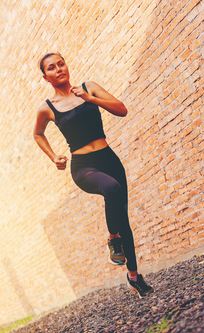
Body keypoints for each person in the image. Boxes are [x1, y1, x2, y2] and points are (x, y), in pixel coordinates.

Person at [33, 52, 153, 298]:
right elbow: (38, 134)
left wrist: (90, 99)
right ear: (46, 77)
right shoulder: (47, 108)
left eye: (61, 64)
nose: (59, 69)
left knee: (124, 220)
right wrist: (54, 156)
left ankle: (133, 276)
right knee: (111, 189)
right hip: (83, 166)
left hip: (109, 159)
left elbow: (122, 109)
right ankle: (112, 238)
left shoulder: (89, 88)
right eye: (52, 68)